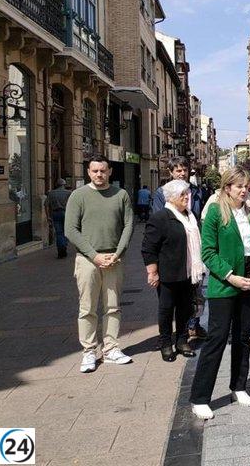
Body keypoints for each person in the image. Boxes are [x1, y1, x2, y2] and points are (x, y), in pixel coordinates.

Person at [190, 167, 250, 420]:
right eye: (238, 186)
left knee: (243, 337)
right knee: (217, 338)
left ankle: (238, 386)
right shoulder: (215, 212)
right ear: (227, 188)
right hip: (225, 282)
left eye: (246, 186)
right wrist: (231, 276)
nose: (244, 190)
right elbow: (208, 252)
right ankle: (200, 398)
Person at [64, 155, 134, 373]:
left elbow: (128, 225)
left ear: (110, 171)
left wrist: (117, 252)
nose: (99, 175)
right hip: (87, 260)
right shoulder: (78, 196)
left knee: (113, 306)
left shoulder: (121, 195)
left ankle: (111, 348)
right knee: (87, 308)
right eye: (95, 171)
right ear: (88, 172)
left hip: (114, 259)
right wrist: (94, 255)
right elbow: (71, 230)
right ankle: (89, 351)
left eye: (103, 170)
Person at [141, 179, 202, 362]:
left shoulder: (190, 216)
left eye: (187, 193)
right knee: (167, 310)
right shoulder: (161, 218)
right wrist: (152, 272)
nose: (186, 197)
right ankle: (166, 343)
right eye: (182, 195)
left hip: (188, 272)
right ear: (172, 198)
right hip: (168, 274)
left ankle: (182, 341)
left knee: (185, 309)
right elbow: (148, 247)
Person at [153, 157, 206, 341]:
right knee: (169, 302)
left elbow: (199, 217)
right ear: (170, 173)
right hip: (173, 251)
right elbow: (160, 220)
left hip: (194, 250)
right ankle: (167, 338)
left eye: (184, 170)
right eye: (177, 170)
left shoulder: (196, 191)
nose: (182, 173)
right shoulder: (162, 193)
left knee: (194, 294)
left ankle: (192, 327)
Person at [46, 178, 71, 259]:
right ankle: (63, 245)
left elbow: (46, 205)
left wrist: (48, 216)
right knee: (67, 231)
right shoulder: (68, 193)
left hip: (55, 213)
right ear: (64, 185)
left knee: (58, 232)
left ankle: (61, 249)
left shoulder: (51, 193)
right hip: (66, 213)